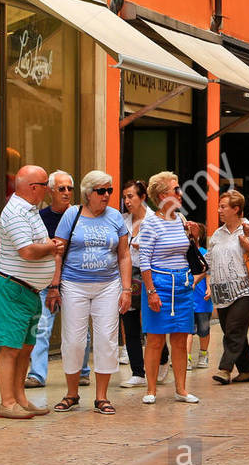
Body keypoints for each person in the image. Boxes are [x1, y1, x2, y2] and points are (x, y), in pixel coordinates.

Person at [47, 170, 131, 415]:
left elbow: (124, 255)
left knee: (106, 339)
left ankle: (102, 397)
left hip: (108, 285)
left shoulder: (115, 217)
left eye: (109, 191)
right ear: (88, 193)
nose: (106, 196)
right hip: (74, 284)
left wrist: (126, 289)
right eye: (101, 191)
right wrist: (54, 286)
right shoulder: (72, 215)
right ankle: (72, 393)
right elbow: (58, 252)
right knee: (73, 340)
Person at [0, 163, 65, 419]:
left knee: (25, 347)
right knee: (10, 347)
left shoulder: (31, 211)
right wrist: (52, 247)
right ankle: (7, 402)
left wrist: (46, 244)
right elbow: (28, 250)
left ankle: (20, 398)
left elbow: (37, 243)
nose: (49, 190)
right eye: (46, 186)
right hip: (12, 289)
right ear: (35, 188)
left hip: (29, 291)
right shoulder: (16, 213)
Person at [138, 172, 199, 404]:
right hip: (159, 285)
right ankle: (151, 389)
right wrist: (151, 291)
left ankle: (181, 389)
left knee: (181, 340)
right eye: (176, 189)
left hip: (182, 286)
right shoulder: (150, 222)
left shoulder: (181, 219)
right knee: (155, 339)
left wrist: (193, 237)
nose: (180, 193)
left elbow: (189, 253)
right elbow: (144, 260)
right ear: (163, 195)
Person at [26, 171, 90, 389]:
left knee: (80, 329)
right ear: (51, 191)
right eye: (61, 188)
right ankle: (37, 374)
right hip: (46, 281)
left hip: (75, 280)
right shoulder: (41, 218)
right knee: (41, 328)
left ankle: (82, 370)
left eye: (69, 188)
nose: (66, 192)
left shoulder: (82, 216)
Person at [208, 190, 249, 385]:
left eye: (223, 207)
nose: (219, 210)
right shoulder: (217, 233)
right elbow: (210, 260)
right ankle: (246, 371)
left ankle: (225, 369)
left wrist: (248, 244)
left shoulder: (248, 230)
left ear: (236, 209)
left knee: (234, 329)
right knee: (233, 331)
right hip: (221, 292)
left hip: (246, 290)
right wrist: (204, 281)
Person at [120, 179, 168, 388]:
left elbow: (167, 248)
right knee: (129, 321)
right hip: (129, 275)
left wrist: (147, 248)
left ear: (143, 198)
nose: (127, 201)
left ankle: (163, 358)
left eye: (131, 196)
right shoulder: (122, 221)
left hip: (150, 274)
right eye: (124, 197)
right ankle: (137, 371)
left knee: (151, 323)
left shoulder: (155, 220)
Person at [189, 237, 212, 370]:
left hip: (202, 299)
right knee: (188, 331)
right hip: (188, 298)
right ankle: (186, 357)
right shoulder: (182, 252)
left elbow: (207, 272)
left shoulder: (203, 252)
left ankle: (203, 354)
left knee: (204, 330)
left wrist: (209, 288)